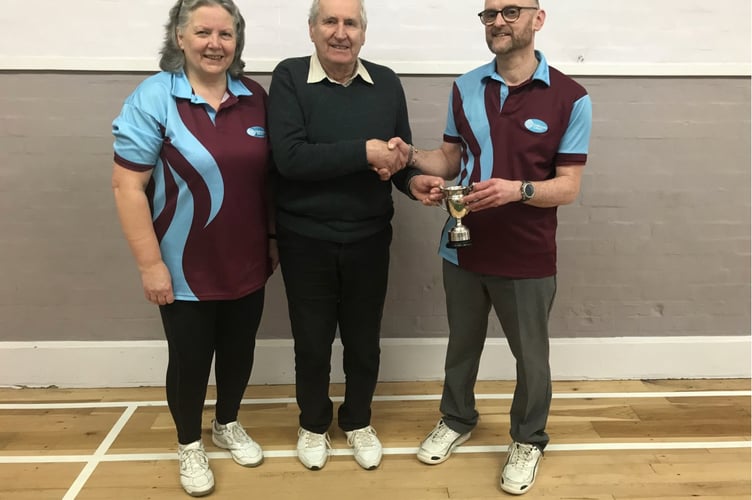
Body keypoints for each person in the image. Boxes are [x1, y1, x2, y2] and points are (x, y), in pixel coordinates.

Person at [392, 0, 592, 495]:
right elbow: (448, 159)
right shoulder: (464, 86)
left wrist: (517, 190)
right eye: (489, 13)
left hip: (527, 255)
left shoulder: (572, 96)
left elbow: (568, 187)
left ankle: (528, 438)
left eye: (510, 10)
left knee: (532, 357)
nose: (498, 21)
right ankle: (457, 418)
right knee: (461, 344)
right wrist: (407, 159)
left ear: (536, 19)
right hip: (461, 247)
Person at [111, 0, 277, 496]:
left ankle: (226, 423)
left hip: (247, 261)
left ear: (236, 42)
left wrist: (270, 239)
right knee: (189, 360)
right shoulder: (153, 97)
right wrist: (150, 265)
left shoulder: (256, 98)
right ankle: (189, 444)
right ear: (179, 38)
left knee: (238, 351)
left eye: (225, 35)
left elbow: (269, 180)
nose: (214, 43)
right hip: (181, 268)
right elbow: (127, 188)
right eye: (203, 32)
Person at [267, 0, 418, 472]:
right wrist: (363, 150)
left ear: (363, 34)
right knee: (311, 341)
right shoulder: (289, 77)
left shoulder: (387, 82)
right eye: (329, 21)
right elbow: (289, 159)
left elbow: (396, 163)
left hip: (370, 238)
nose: (340, 32)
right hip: (304, 238)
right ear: (312, 30)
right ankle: (313, 425)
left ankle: (357, 421)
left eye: (350, 23)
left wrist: (416, 182)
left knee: (363, 340)